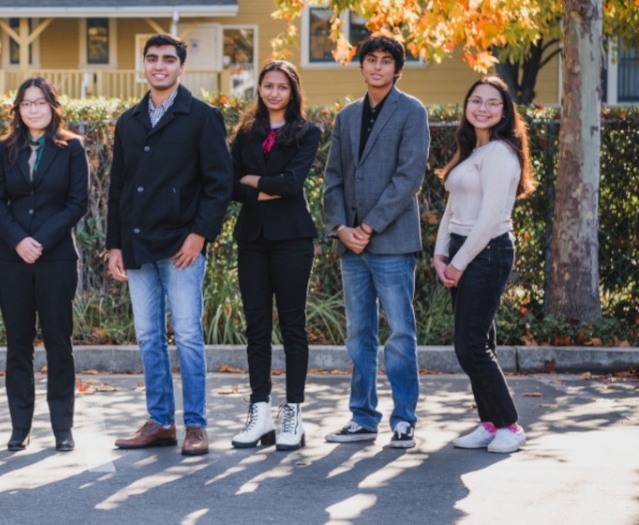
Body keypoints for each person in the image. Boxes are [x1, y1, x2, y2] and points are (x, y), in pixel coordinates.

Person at [107, 34, 233, 456]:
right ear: (144, 66)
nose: (159, 66)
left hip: (182, 248)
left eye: (167, 59)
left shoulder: (201, 117)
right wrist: (114, 245)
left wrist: (199, 235)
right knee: (147, 336)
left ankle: (195, 426)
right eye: (152, 59)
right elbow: (119, 190)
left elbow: (219, 185)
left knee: (189, 336)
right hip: (139, 246)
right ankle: (160, 422)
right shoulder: (129, 121)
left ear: (181, 67)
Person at [323, 36, 430, 448]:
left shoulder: (412, 111)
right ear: (362, 66)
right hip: (351, 245)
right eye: (371, 60)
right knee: (358, 334)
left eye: (387, 61)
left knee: (400, 334)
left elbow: (408, 178)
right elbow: (333, 178)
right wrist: (341, 228)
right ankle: (362, 417)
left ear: (397, 69)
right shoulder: (347, 117)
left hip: (391, 242)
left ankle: (404, 419)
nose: (378, 67)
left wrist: (368, 227)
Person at [0, 78, 89, 452]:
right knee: (18, 344)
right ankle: (20, 427)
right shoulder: (5, 148)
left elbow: (78, 203)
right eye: (25, 103)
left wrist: (41, 241)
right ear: (18, 109)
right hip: (12, 260)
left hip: (56, 258)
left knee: (59, 343)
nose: (32, 109)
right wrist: (19, 240)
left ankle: (62, 427)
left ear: (52, 106)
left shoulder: (72, 148)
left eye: (40, 102)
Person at [434, 76, 534, 454]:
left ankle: (510, 424)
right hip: (463, 248)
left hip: (487, 250)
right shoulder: (473, 152)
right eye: (475, 100)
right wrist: (440, 253)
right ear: (466, 106)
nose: (482, 107)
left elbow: (491, 218)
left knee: (470, 345)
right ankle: (490, 423)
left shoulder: (500, 153)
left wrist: (458, 264)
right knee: (481, 340)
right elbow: (452, 209)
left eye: (493, 103)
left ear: (505, 111)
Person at [227, 61, 320, 452]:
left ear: (293, 91)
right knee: (257, 328)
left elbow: (293, 183)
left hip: (292, 239)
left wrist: (254, 181)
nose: (274, 92)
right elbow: (230, 184)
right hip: (252, 239)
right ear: (260, 89)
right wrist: (262, 187)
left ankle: (293, 413)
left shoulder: (307, 132)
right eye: (268, 85)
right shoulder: (246, 133)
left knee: (293, 326)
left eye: (282, 86)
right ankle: (260, 410)